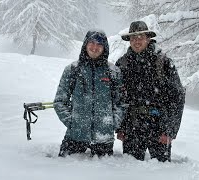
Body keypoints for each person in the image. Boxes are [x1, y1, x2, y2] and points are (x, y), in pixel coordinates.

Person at [115, 21, 185, 162]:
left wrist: (169, 130)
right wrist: (120, 127)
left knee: (161, 172)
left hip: (159, 127)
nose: (137, 41)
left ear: (148, 38)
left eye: (140, 37)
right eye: (133, 38)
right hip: (131, 128)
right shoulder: (122, 64)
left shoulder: (164, 62)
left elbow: (177, 97)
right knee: (130, 171)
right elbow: (118, 99)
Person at [53, 30, 125, 157]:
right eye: (91, 43)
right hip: (75, 136)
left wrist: (112, 123)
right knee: (66, 171)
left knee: (102, 173)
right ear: (85, 44)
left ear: (105, 47)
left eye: (99, 44)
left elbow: (121, 103)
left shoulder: (113, 72)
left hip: (103, 137)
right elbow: (60, 101)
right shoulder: (72, 70)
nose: (95, 47)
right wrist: (72, 122)